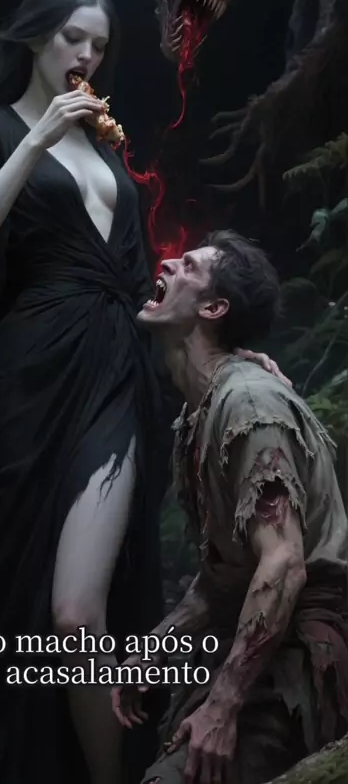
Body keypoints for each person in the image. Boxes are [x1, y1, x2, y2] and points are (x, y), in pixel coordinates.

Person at [0, 0, 286, 784]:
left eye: (99, 44)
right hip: (21, 379)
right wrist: (35, 141)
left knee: (76, 609)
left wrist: (230, 353)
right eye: (73, 38)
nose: (87, 55)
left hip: (112, 375)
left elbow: (142, 293)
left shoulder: (105, 149)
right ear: (35, 39)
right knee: (4, 580)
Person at [111, 230, 348, 784]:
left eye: (189, 265)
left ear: (214, 308)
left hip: (305, 653)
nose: (168, 262)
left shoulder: (248, 402)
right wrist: (157, 646)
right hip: (266, 642)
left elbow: (283, 562)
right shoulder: (201, 413)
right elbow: (225, 573)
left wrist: (222, 706)